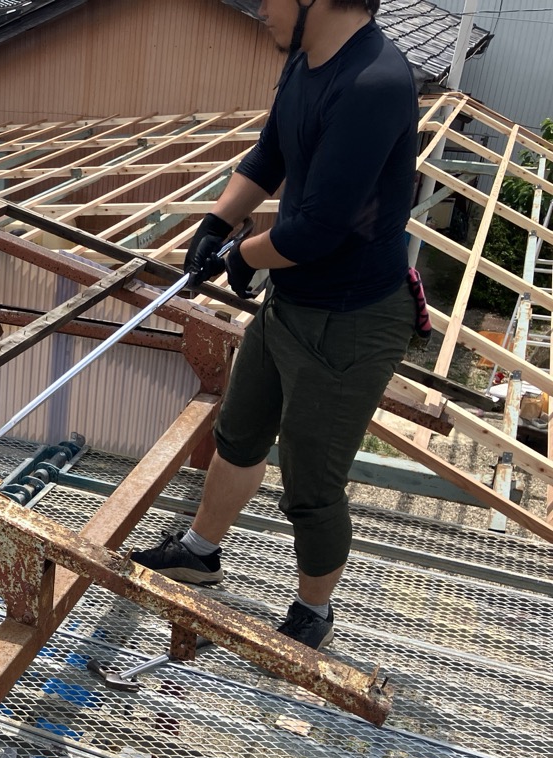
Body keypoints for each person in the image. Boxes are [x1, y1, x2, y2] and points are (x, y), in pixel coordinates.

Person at [130, 0, 418, 651]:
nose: (261, 7)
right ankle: (200, 552)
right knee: (239, 433)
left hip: (350, 318)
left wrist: (243, 255)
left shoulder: (375, 83)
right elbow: (270, 153)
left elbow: (318, 229)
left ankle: (313, 614)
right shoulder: (306, 59)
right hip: (292, 300)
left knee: (312, 483)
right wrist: (217, 223)